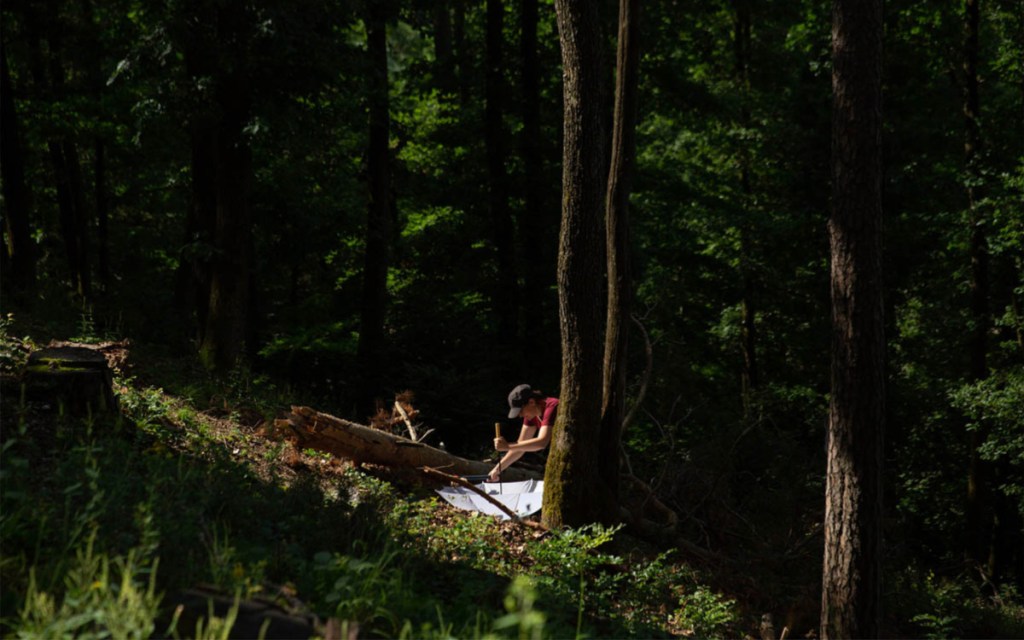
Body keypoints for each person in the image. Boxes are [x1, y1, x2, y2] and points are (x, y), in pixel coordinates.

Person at [488, 384, 558, 482]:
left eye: (521, 411)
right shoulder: (532, 415)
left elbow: (542, 442)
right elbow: (520, 447)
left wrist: (507, 446)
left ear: (531, 402)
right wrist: (497, 469)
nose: (520, 415)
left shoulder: (552, 406)